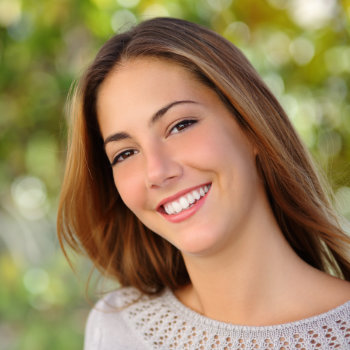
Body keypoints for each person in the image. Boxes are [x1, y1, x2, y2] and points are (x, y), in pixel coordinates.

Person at [57, 17, 350, 349]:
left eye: (180, 125)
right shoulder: (117, 328)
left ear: (251, 125)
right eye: (125, 153)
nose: (156, 171)